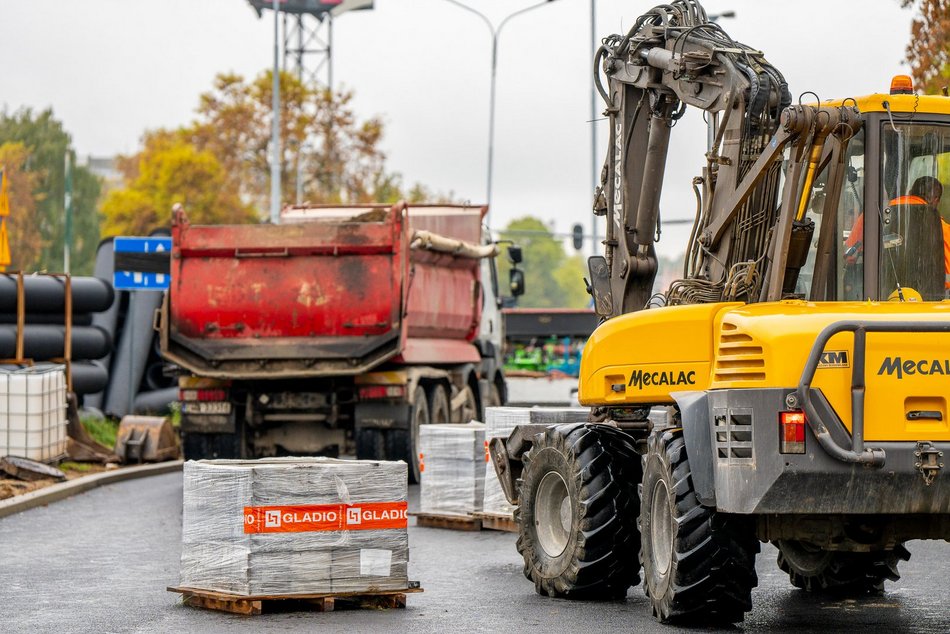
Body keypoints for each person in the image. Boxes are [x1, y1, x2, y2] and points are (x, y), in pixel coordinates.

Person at [845, 175, 950, 291]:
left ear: (910, 192)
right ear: (936, 200)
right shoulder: (942, 229)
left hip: (874, 294)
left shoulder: (872, 214)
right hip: (924, 299)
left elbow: (850, 256)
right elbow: (947, 276)